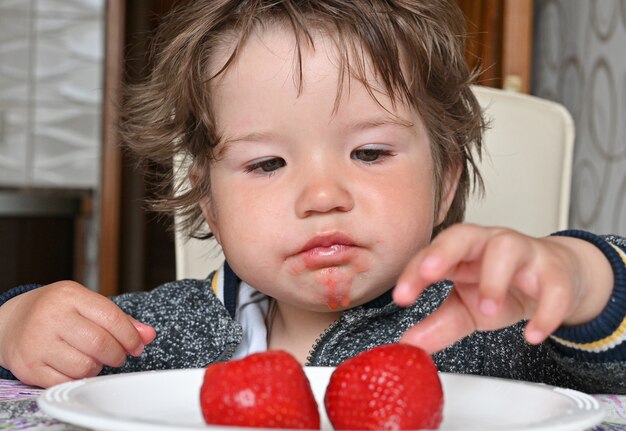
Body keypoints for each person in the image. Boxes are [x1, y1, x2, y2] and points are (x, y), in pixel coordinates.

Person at [0, 0, 624, 392]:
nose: (323, 196)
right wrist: (16, 326)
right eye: (267, 162)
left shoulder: (494, 321)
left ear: (447, 184)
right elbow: (48, 367)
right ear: (210, 207)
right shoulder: (161, 333)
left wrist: (580, 279)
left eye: (370, 154)